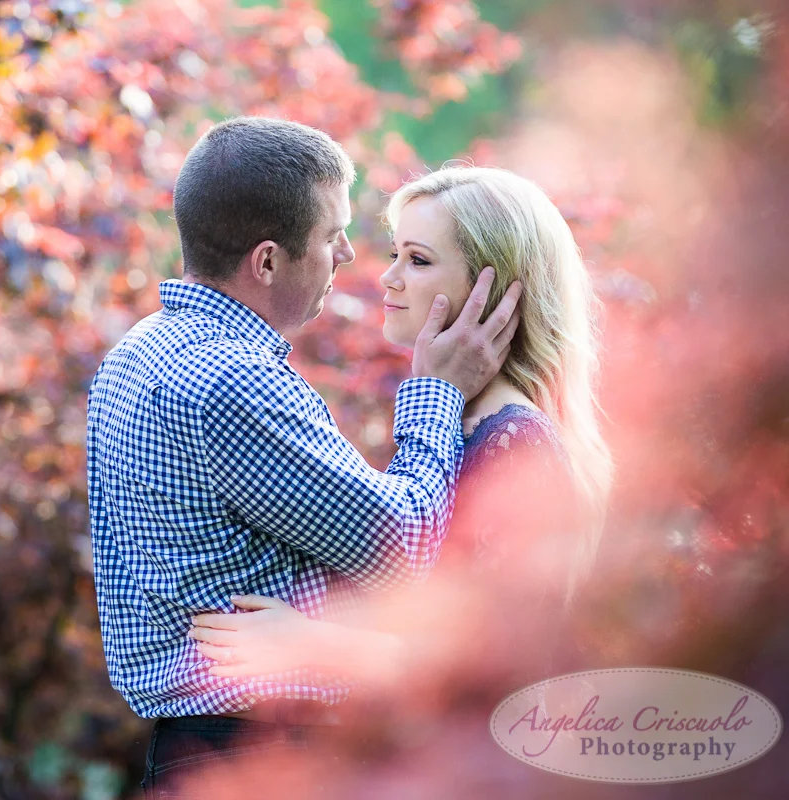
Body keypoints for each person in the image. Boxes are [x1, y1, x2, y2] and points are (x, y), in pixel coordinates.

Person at [86, 120, 522, 798]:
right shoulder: (234, 380)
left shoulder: (137, 352)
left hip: (196, 749)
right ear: (266, 261)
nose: (350, 254)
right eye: (330, 236)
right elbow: (403, 550)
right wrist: (437, 391)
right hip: (268, 752)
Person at [188, 166, 615, 751]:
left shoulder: (516, 444)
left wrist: (311, 644)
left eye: (416, 260)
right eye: (395, 253)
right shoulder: (453, 429)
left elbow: (490, 673)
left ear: (489, 290)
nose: (386, 277)